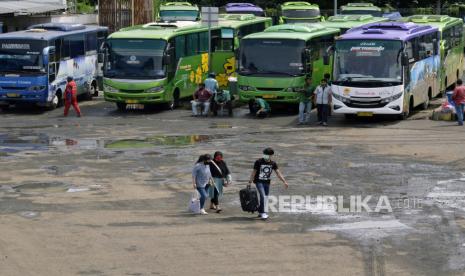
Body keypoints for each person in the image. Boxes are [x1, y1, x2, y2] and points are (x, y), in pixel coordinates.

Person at [248, 148, 288, 220]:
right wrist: (250, 182)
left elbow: (278, 173)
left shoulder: (273, 163)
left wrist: (284, 181)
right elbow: (254, 172)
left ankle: (260, 211)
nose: (265, 155)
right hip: (258, 181)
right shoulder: (258, 162)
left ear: (271, 155)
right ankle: (264, 213)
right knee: (263, 196)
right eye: (264, 154)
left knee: (265, 197)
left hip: (267, 183)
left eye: (267, 155)